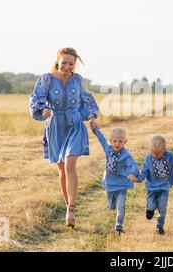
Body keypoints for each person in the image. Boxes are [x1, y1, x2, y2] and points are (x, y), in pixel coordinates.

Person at [29, 47, 99, 228]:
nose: (67, 67)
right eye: (64, 63)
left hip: (75, 124)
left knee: (70, 163)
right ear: (57, 61)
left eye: (71, 64)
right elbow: (37, 97)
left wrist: (92, 116)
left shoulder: (77, 80)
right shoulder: (46, 79)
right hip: (56, 126)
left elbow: (86, 99)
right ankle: (68, 204)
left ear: (75, 65)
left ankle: (72, 209)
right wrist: (43, 109)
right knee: (62, 169)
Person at [91, 126, 139, 234]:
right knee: (111, 206)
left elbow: (133, 164)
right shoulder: (108, 149)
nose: (117, 143)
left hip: (121, 184)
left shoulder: (125, 155)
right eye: (115, 141)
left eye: (120, 141)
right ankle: (111, 205)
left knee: (120, 206)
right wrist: (95, 130)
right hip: (110, 183)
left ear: (125, 142)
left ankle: (119, 227)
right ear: (111, 141)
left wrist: (132, 173)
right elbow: (101, 139)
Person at [136, 135, 173, 235]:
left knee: (162, 207)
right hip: (151, 188)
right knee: (152, 205)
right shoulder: (148, 158)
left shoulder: (169, 156)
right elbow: (144, 172)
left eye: (158, 154)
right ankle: (150, 209)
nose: (155, 155)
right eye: (152, 153)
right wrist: (138, 179)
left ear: (164, 149)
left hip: (164, 187)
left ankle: (159, 226)